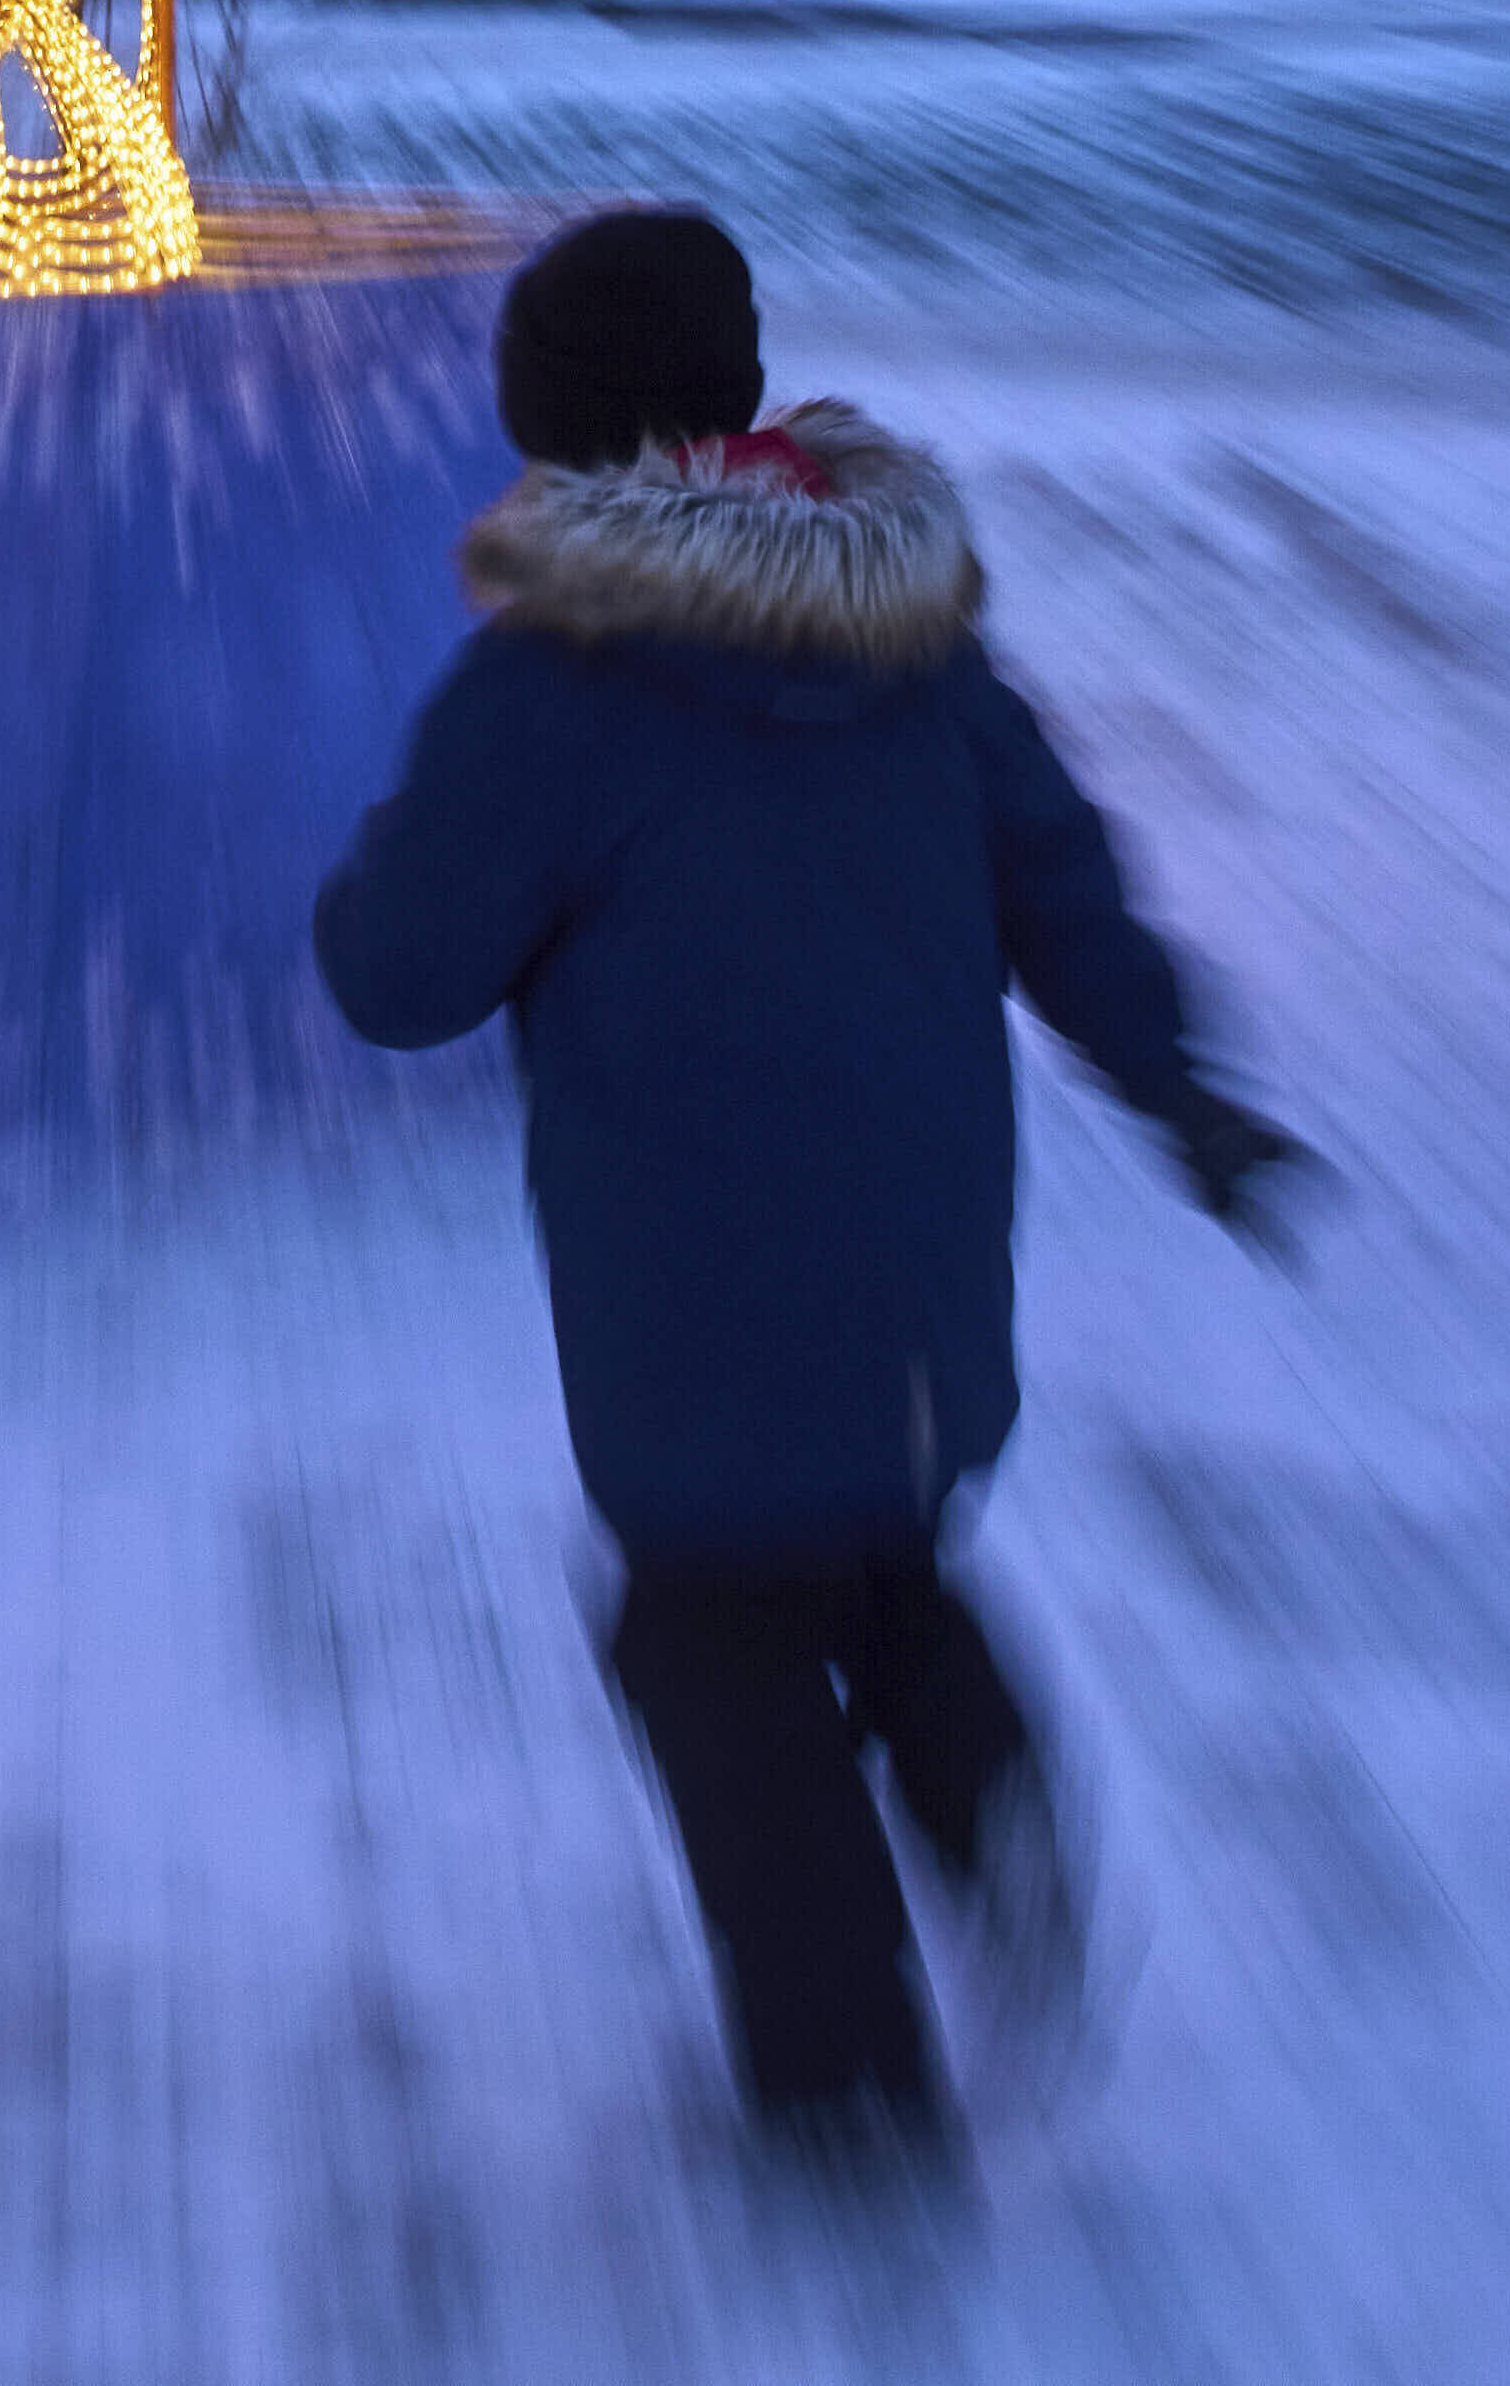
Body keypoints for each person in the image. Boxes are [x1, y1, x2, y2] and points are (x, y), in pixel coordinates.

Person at [310, 201, 1311, 2184]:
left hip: (693, 1283)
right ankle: (992, 1793)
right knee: (873, 1560)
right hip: (925, 1273)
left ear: (555, 437)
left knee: (708, 1641)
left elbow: (396, 976)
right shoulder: (919, 639)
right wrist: (1192, 1096)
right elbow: (1070, 889)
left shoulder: (554, 686)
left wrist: (383, 850)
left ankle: (847, 2090)